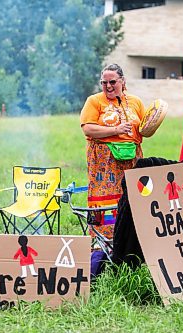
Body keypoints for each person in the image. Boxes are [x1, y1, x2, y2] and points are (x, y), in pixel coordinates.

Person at [80, 63, 146, 240]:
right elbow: (88, 129)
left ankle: (131, 239)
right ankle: (104, 240)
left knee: (132, 196)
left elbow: (144, 129)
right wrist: (116, 130)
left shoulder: (135, 102)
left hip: (132, 157)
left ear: (122, 81)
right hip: (104, 160)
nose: (108, 86)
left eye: (112, 82)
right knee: (106, 199)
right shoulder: (94, 101)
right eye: (104, 82)